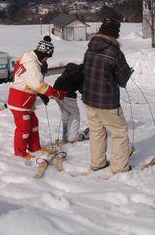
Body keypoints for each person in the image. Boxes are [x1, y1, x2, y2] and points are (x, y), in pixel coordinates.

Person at [83, 18, 133, 174]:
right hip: (107, 101)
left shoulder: (89, 49)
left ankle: (97, 163)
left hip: (89, 98)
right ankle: (119, 167)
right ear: (114, 35)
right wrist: (128, 72)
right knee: (120, 133)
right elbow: (122, 79)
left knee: (96, 131)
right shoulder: (115, 53)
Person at [7, 36, 65, 159]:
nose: (46, 60)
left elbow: (32, 81)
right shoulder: (31, 65)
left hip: (26, 100)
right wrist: (54, 93)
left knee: (33, 123)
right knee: (24, 127)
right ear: (43, 54)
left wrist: (41, 93)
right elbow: (37, 84)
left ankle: (34, 147)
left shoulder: (29, 57)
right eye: (47, 57)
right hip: (19, 101)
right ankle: (20, 153)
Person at [53, 63, 85, 143]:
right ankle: (72, 137)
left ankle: (65, 136)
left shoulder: (72, 70)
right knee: (75, 114)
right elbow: (82, 89)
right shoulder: (81, 74)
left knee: (66, 113)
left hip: (55, 92)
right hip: (66, 94)